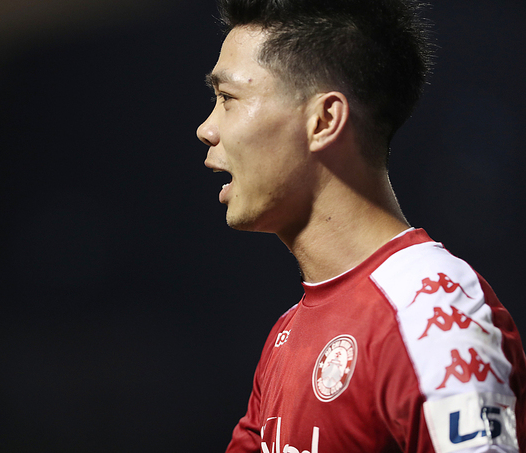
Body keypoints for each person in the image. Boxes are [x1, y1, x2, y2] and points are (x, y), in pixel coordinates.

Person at [195, 0, 526, 452]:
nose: (206, 128)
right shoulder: (286, 336)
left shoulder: (433, 313)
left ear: (324, 120)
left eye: (228, 99)